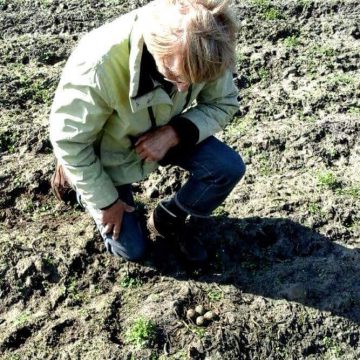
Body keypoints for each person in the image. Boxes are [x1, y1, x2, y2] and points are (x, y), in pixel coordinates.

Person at [49, 0, 246, 263]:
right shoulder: (97, 65)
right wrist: (107, 202)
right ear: (158, 48)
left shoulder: (205, 43)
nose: (185, 89)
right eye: (176, 76)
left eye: (193, 80)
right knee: (132, 250)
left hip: (163, 129)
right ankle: (70, 177)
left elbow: (224, 102)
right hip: (107, 152)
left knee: (226, 168)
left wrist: (174, 133)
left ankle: (169, 218)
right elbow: (69, 141)